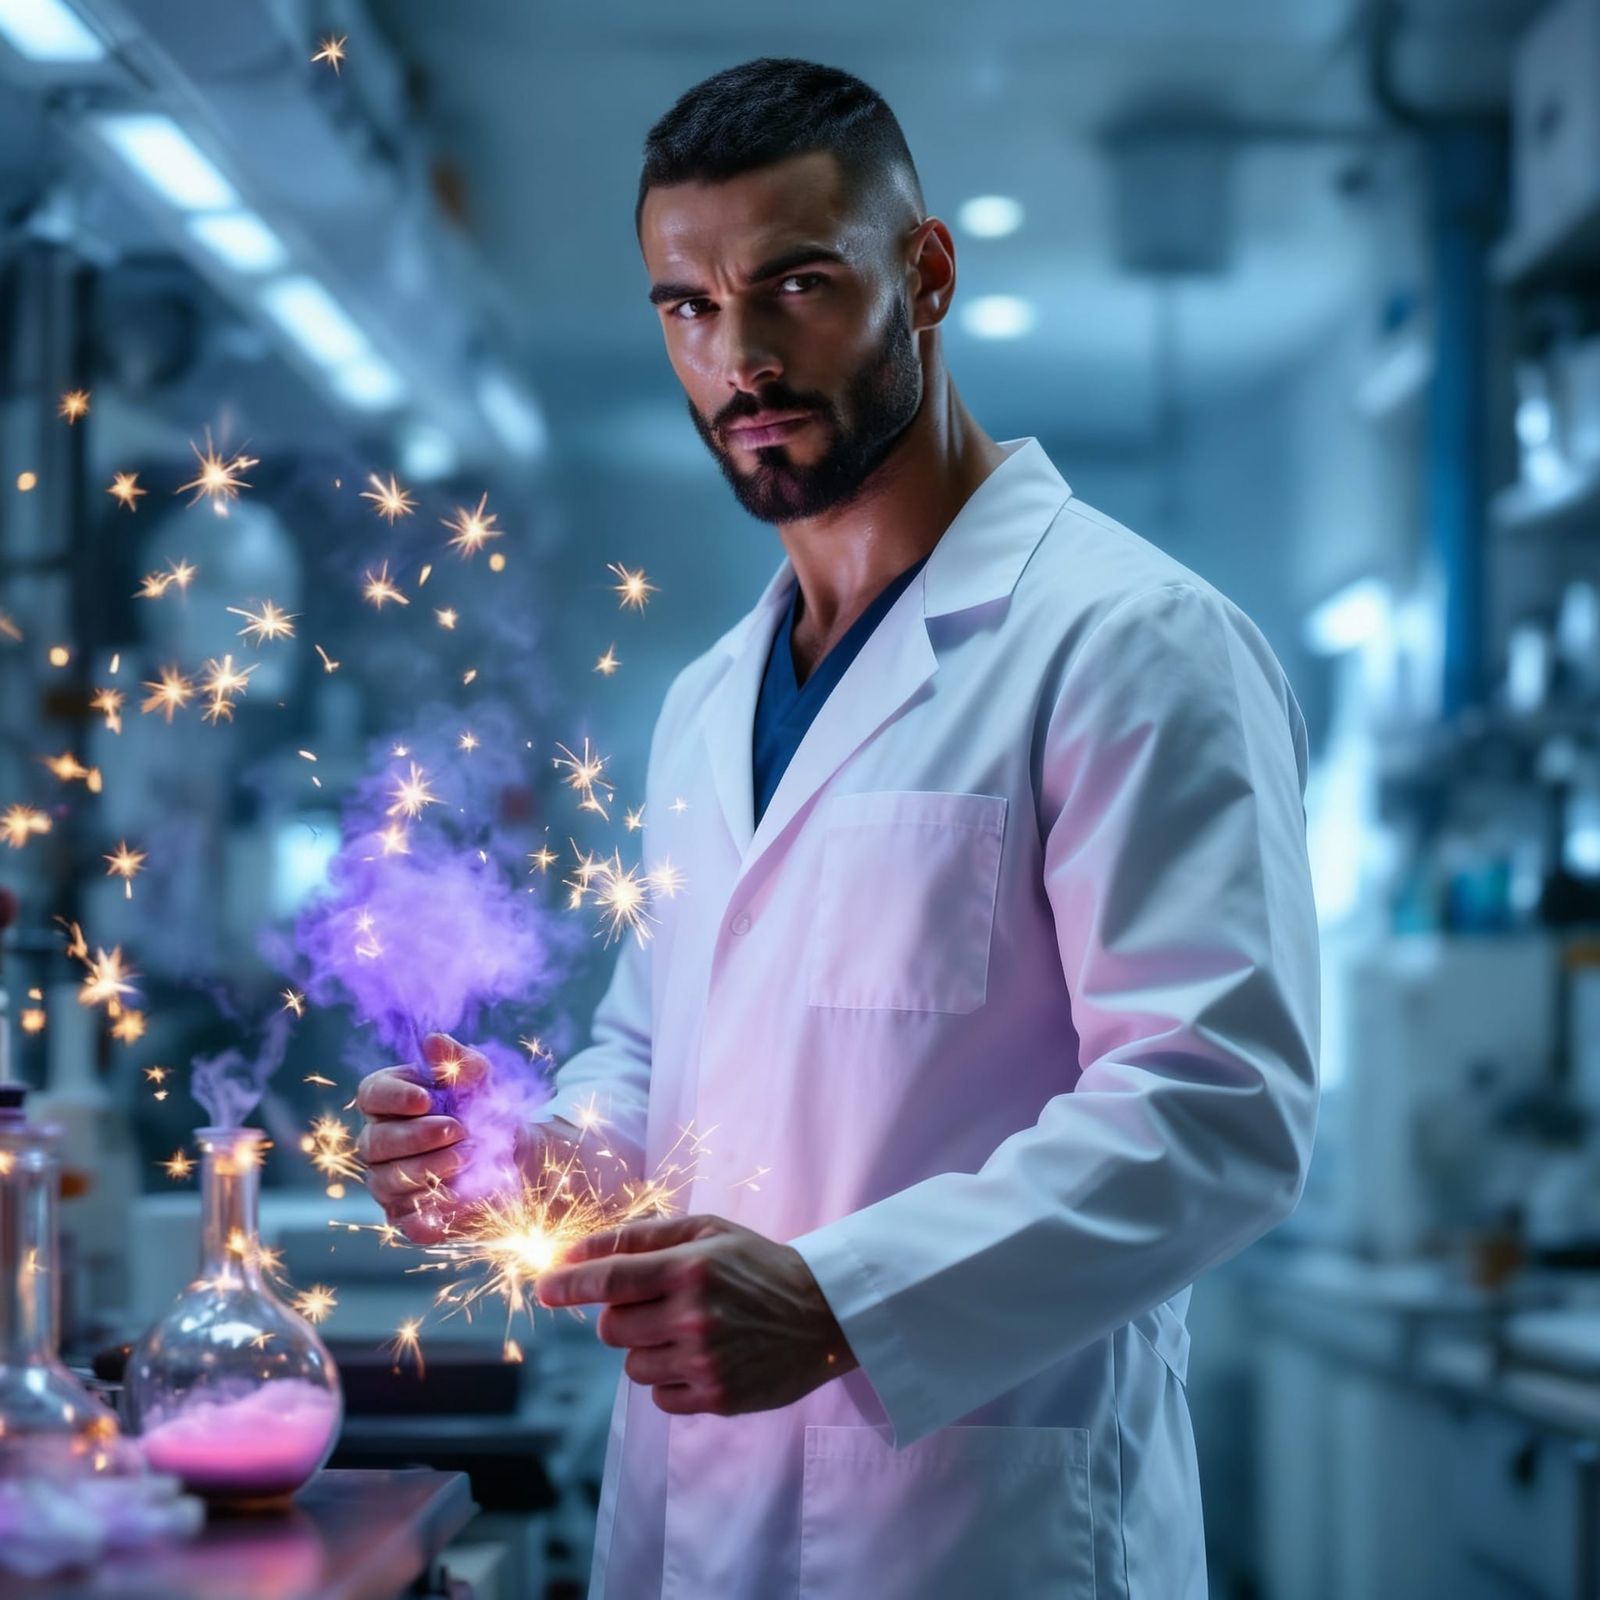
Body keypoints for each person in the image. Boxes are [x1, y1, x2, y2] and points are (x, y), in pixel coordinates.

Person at [357, 56, 1320, 1600]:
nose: (738, 357)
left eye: (797, 283)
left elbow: (1217, 1109)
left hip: (976, 1529)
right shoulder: (707, 702)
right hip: (693, 1514)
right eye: (686, 305)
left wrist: (839, 1301)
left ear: (923, 275)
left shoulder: (1129, 639)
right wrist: (527, 1162)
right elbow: (660, 1054)